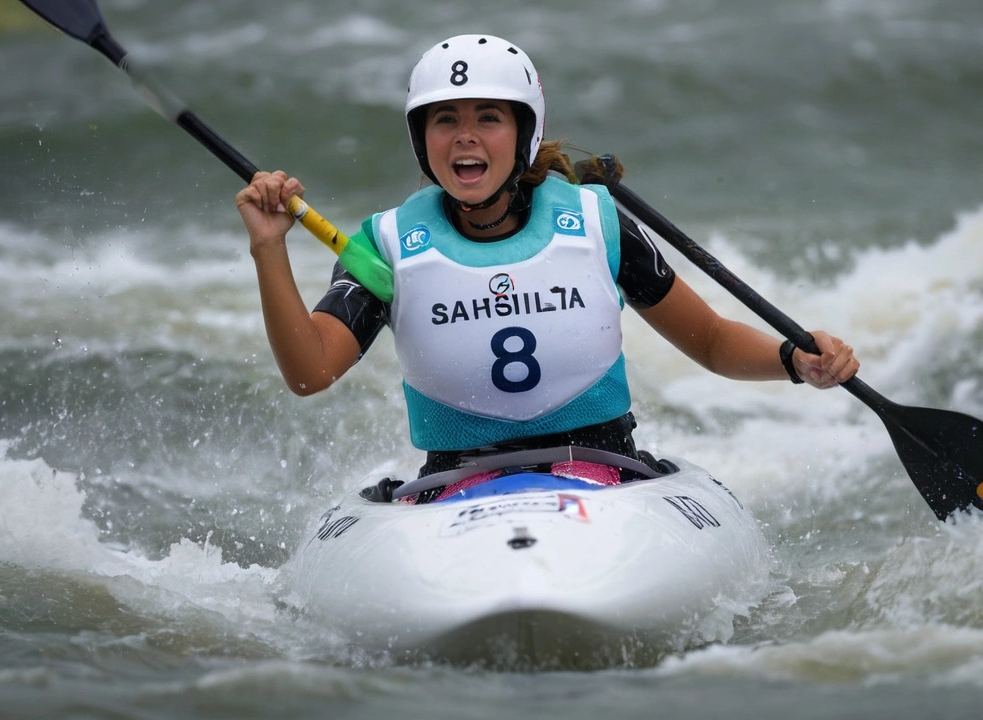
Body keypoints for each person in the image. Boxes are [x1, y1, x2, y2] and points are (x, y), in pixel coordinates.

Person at [236, 34, 859, 497]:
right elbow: (310, 372)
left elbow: (714, 343)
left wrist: (793, 361)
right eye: (445, 119)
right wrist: (270, 246)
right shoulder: (386, 245)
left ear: (524, 131)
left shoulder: (596, 222)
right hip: (455, 486)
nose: (465, 136)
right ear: (421, 138)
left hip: (608, 474)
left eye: (489, 117)